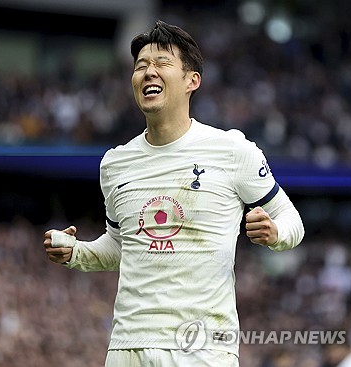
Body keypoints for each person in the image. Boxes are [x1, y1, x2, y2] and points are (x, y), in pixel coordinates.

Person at [42, 20, 304, 367]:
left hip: (202, 347)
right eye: (140, 67)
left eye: (162, 63)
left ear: (191, 80)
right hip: (127, 345)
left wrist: (275, 233)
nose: (148, 72)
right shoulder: (116, 164)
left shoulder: (232, 151)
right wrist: (77, 251)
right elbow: (121, 246)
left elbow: (292, 220)